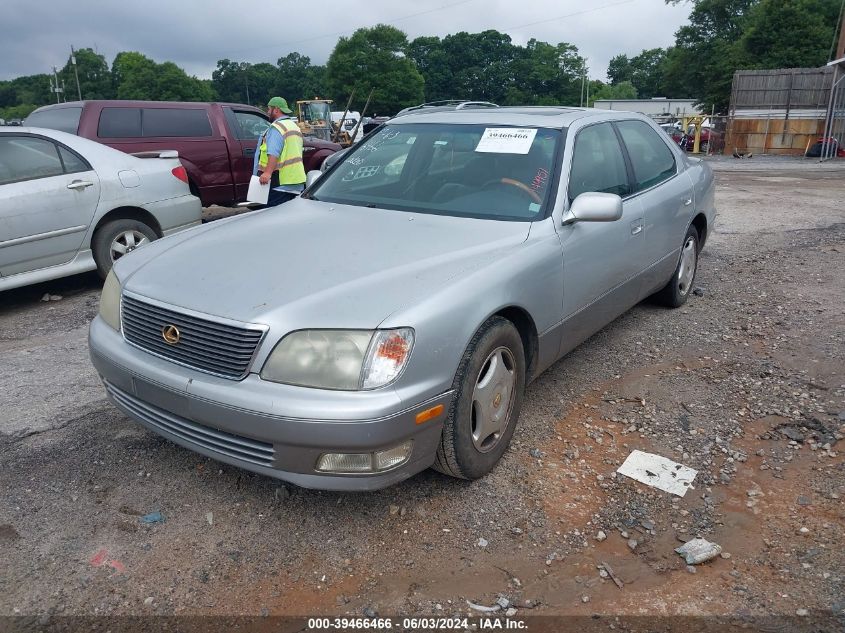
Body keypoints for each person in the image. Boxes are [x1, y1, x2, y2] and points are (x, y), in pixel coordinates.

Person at [253, 97, 305, 207]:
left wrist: (267, 173)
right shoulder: (293, 126)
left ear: (276, 110)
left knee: (273, 216)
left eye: (269, 109)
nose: (267, 112)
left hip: (280, 183)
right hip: (296, 181)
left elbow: (273, 153)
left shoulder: (276, 128)